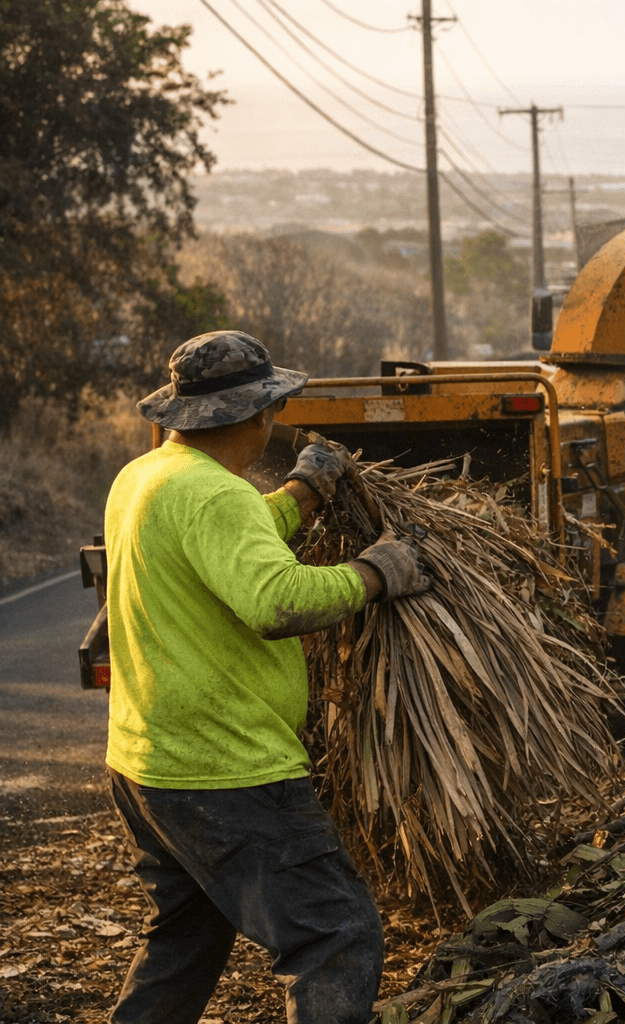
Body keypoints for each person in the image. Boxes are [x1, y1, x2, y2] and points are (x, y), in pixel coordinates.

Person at [102, 330, 430, 1024]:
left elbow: (224, 544)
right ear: (257, 415)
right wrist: (378, 573)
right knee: (335, 935)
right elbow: (275, 600)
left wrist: (302, 495)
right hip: (227, 773)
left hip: (148, 765)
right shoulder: (219, 497)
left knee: (184, 941)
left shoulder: (145, 477)